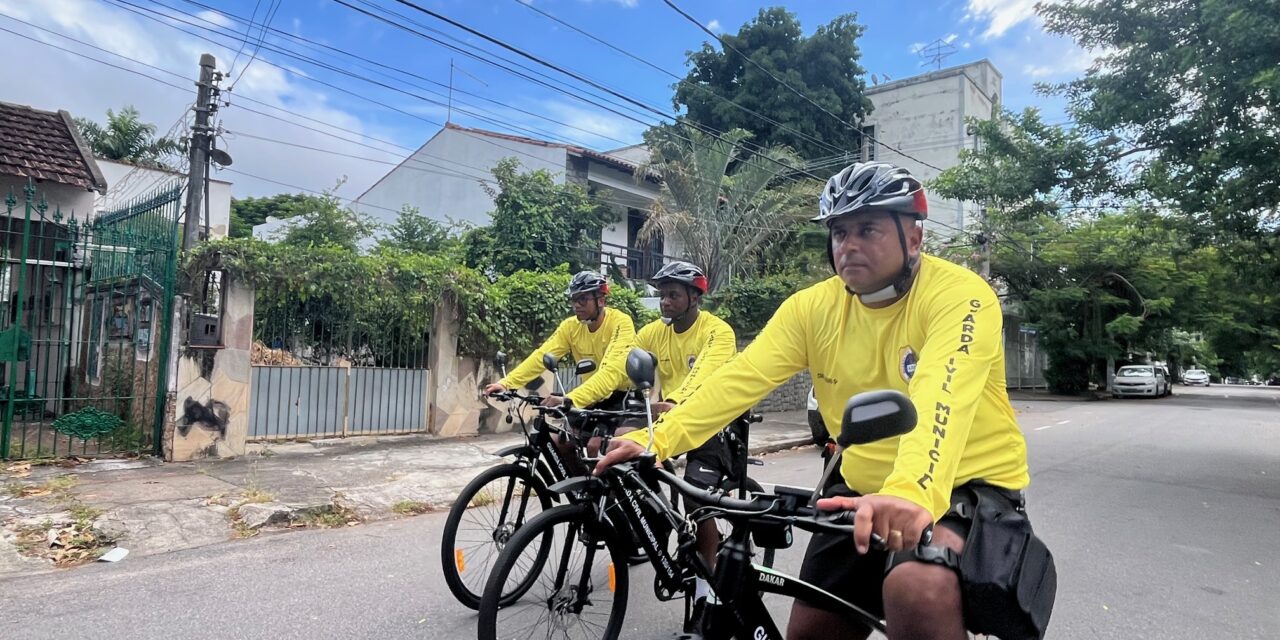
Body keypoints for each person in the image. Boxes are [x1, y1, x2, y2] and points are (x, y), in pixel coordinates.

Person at [598, 162, 1037, 640]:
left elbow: (940, 394)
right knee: (809, 633)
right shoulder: (812, 307)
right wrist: (656, 439)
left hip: (962, 487)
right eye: (839, 232)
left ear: (913, 239)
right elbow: (743, 377)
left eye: (868, 229)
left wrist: (910, 491)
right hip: (860, 487)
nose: (848, 246)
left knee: (918, 587)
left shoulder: (961, 294)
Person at [631, 260, 738, 619]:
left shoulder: (717, 332)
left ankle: (707, 590)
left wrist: (677, 401)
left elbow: (705, 374)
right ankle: (659, 518)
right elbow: (624, 362)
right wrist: (579, 400)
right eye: (662, 295)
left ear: (695, 297)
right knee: (627, 462)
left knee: (696, 500)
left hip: (711, 424)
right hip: (670, 421)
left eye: (673, 295)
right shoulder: (654, 333)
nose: (665, 302)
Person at [484, 271, 637, 454]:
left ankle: (602, 482)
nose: (576, 305)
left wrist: (570, 399)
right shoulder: (570, 327)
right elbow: (541, 355)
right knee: (561, 442)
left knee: (595, 446)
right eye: (574, 300)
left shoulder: (621, 322)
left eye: (583, 299)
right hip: (591, 397)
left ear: (601, 300)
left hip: (623, 397)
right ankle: (581, 483)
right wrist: (506, 383)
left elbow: (610, 372)